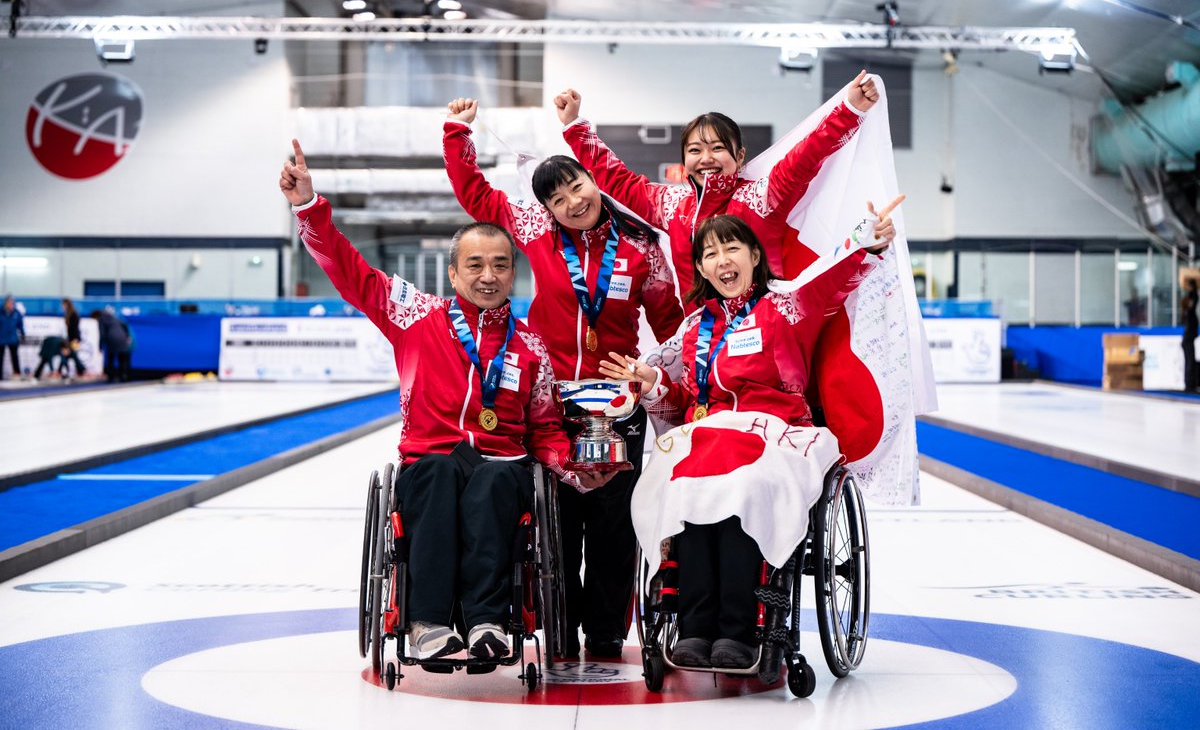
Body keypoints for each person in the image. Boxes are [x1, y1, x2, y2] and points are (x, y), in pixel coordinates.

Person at [280, 138, 576, 662]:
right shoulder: (416, 315)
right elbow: (352, 275)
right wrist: (309, 207)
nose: (489, 276)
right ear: (453, 273)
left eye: (502, 265)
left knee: (494, 479)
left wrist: (573, 466)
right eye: (476, 265)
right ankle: (429, 622)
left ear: (514, 272)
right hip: (430, 459)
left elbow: (546, 425)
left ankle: (487, 621)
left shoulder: (531, 347)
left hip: (501, 462)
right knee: (438, 476)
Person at [598, 198, 901, 670]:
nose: (723, 260)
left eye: (731, 248)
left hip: (776, 432)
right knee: (683, 485)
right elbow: (680, 404)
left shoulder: (788, 304)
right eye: (710, 253)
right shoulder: (696, 327)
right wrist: (652, 382)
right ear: (700, 266)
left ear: (753, 256)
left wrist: (868, 238)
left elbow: (833, 279)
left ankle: (738, 629)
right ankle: (697, 627)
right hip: (712, 434)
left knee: (743, 486)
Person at [443, 97, 685, 658]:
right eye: (557, 198)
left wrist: (663, 375)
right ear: (546, 208)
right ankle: (557, 623)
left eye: (576, 187)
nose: (572, 202)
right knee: (557, 518)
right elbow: (475, 196)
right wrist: (459, 133)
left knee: (613, 522)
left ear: (591, 180)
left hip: (618, 404)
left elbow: (671, 322)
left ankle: (604, 631)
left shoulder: (640, 248)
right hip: (549, 400)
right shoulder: (533, 231)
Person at [554, 71, 881, 301]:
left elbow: (806, 157)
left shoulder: (761, 197)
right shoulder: (671, 204)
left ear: (739, 156)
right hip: (700, 346)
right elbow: (616, 179)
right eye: (695, 150)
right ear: (684, 160)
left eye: (718, 148)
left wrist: (849, 110)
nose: (706, 158)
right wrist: (574, 127)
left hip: (766, 336)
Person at [91, 309, 132, 382]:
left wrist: (100, 346)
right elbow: (124, 324)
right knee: (122, 358)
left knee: (110, 359)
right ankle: (123, 375)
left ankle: (111, 376)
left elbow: (102, 333)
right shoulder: (113, 317)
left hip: (111, 339)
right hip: (122, 337)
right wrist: (127, 335)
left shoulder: (102, 320)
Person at [59, 298, 85, 379]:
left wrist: (74, 339)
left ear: (66, 304)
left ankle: (81, 370)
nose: (62, 306)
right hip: (71, 338)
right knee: (68, 355)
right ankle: (68, 371)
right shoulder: (69, 314)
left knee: (72, 355)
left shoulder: (73, 314)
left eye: (63, 304)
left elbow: (74, 328)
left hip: (74, 339)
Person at [1, 295, 25, 380]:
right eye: (10, 303)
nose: (11, 305)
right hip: (1, 338)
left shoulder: (16, 313)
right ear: (5, 304)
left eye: (12, 303)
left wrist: (23, 335)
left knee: (15, 357)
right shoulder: (1, 312)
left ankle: (17, 373)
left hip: (13, 338)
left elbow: (20, 325)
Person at [1183, 272, 1199, 393]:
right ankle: (1189, 384)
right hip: (1188, 339)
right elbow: (1192, 302)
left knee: (1191, 361)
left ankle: (1190, 383)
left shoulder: (1190, 312)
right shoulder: (1190, 313)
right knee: (1190, 361)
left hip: (1189, 339)